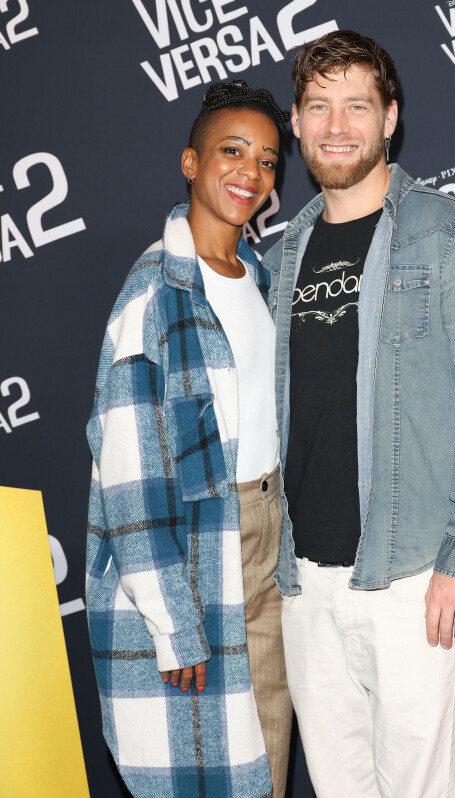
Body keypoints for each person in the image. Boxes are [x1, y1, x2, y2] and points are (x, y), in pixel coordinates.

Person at [262, 30, 455, 798]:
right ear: (298, 121)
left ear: (389, 119)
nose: (337, 125)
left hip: (414, 581)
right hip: (307, 585)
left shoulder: (445, 234)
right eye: (319, 106)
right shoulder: (283, 256)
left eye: (356, 105)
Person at [86, 81, 292, 798]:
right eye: (231, 152)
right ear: (190, 162)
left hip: (270, 546)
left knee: (264, 763)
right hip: (199, 552)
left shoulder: (263, 281)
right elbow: (128, 477)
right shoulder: (155, 295)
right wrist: (172, 622)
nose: (250, 173)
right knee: (201, 774)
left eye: (267, 161)